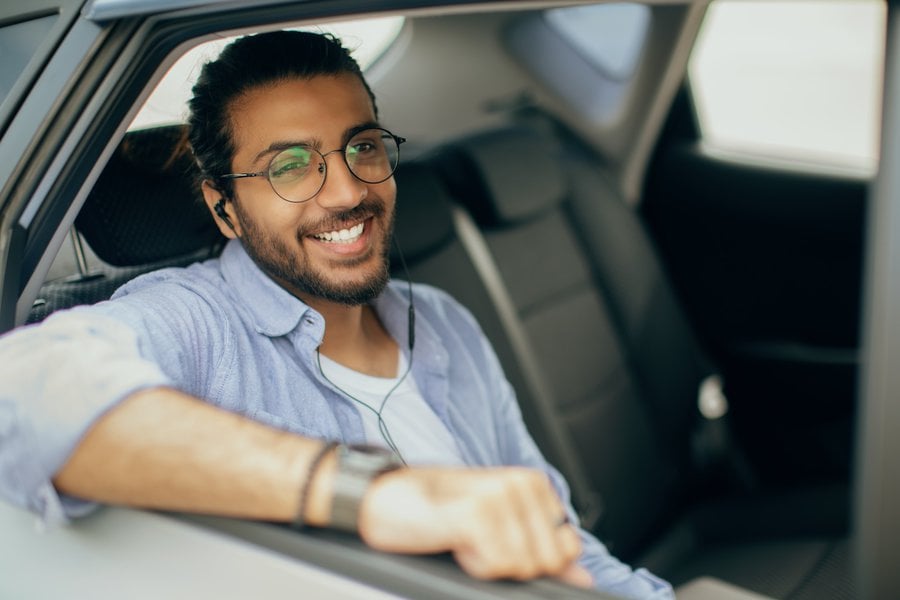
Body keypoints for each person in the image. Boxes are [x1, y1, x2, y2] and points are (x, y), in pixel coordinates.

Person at [0, 31, 673, 599]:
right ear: (224, 209)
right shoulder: (198, 322)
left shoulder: (442, 322)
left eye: (363, 147)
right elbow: (22, 387)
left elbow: (567, 542)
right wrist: (366, 494)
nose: (348, 191)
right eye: (289, 167)